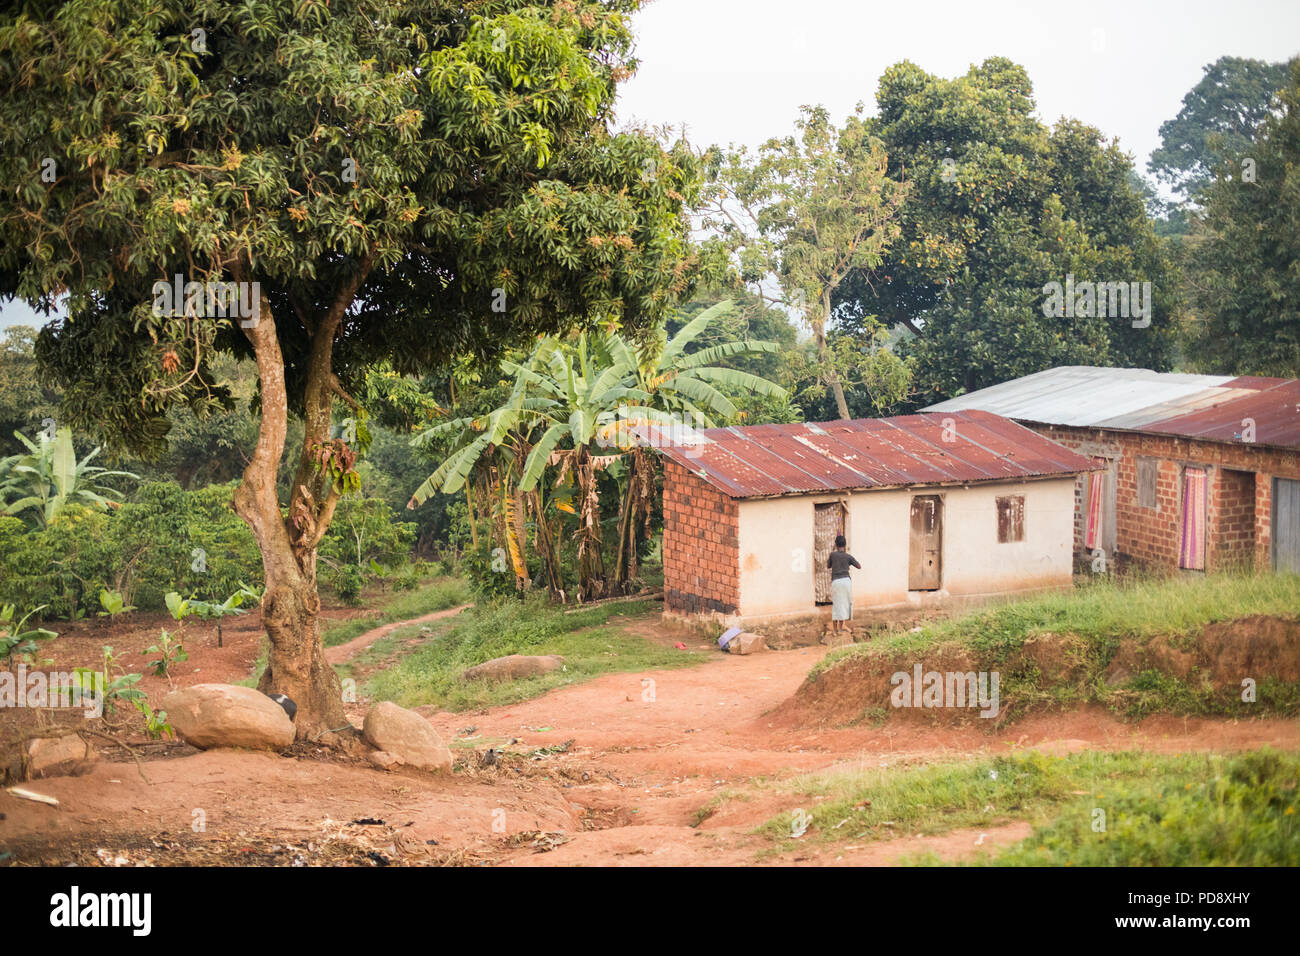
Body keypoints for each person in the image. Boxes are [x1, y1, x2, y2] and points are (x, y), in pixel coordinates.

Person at [827, 533, 860, 633]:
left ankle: (835, 630)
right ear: (845, 545)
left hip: (836, 582)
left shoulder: (833, 555)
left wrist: (832, 552)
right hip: (846, 582)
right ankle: (841, 628)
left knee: (836, 604)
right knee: (844, 604)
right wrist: (848, 562)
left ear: (836, 545)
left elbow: (828, 566)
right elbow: (859, 566)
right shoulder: (848, 556)